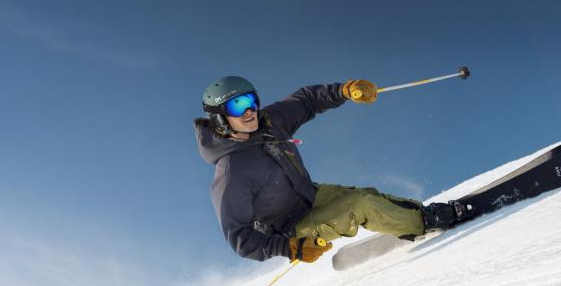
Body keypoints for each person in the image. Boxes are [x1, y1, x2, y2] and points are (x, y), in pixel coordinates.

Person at [194, 75, 473, 263]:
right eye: (237, 105)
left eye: (251, 100)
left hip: (310, 196)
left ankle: (412, 217)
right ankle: (426, 223)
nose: (249, 111)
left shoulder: (271, 122)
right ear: (219, 118)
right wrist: (289, 248)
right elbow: (239, 238)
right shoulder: (232, 172)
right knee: (360, 205)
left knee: (368, 195)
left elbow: (306, 100)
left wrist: (344, 90)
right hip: (290, 229)